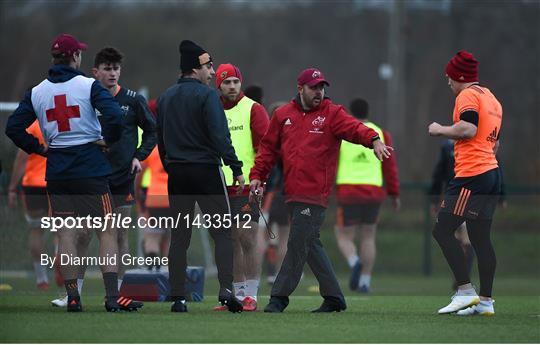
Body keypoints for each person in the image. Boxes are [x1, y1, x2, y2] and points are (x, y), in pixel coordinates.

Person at [5, 33, 142, 312]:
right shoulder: (89, 85)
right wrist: (109, 141)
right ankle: (112, 297)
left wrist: (40, 149)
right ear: (76, 57)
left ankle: (73, 297)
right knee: (107, 229)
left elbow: (13, 129)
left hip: (57, 169)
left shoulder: (36, 91)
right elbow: (114, 116)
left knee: (66, 234)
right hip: (90, 166)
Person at [249, 68, 393, 313]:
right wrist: (256, 177)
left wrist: (373, 140)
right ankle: (335, 298)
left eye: (322, 87)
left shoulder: (332, 113)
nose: (319, 92)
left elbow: (355, 129)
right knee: (309, 243)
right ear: (300, 88)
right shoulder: (283, 115)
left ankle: (278, 298)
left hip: (315, 193)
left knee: (297, 242)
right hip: (291, 192)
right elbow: (267, 151)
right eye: (314, 87)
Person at [51, 47, 157, 307]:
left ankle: (117, 292)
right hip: (91, 177)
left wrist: (138, 156)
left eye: (116, 69)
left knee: (119, 234)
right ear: (95, 71)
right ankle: (73, 294)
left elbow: (153, 131)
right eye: (107, 69)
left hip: (121, 179)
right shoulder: (86, 97)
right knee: (83, 234)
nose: (112, 73)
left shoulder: (132, 100)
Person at [156, 40, 244, 313]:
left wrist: (170, 166)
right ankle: (226, 291)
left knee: (179, 237)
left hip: (178, 174)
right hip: (206, 172)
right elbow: (220, 135)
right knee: (222, 234)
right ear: (196, 68)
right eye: (208, 66)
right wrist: (236, 167)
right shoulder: (207, 96)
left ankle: (178, 298)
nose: (212, 71)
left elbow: (161, 140)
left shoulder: (165, 97)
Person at [428, 50, 502, 316]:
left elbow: (468, 129)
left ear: (460, 77)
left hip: (472, 175)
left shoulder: (467, 95)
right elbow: (494, 144)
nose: (448, 82)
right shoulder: (491, 98)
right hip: (491, 175)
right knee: (481, 239)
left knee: (442, 230)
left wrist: (440, 130)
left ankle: (464, 291)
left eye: (450, 77)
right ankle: (485, 302)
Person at [212, 64, 269, 311]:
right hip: (219, 187)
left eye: (236, 81)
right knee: (230, 241)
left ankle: (252, 296)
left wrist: (260, 180)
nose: (232, 86)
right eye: (227, 82)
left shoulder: (254, 109)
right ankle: (237, 295)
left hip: (246, 186)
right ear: (219, 86)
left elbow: (265, 150)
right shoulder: (212, 109)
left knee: (247, 238)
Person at [334, 98, 400, 294]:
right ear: (368, 111)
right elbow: (390, 166)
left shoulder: (343, 131)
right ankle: (365, 281)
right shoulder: (381, 133)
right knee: (368, 237)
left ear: (350, 112)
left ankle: (355, 263)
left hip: (348, 191)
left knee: (344, 236)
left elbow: (331, 160)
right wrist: (394, 193)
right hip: (373, 191)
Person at [429, 139, 507, 291]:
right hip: (461, 192)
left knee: (461, 237)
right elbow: (439, 173)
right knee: (472, 239)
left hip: (465, 190)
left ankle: (464, 285)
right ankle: (477, 293)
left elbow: (497, 161)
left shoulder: (473, 142)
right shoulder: (448, 146)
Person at [8, 120, 50, 290]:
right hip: (57, 182)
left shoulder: (33, 127)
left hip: (33, 184)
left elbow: (21, 158)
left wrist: (11, 187)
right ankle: (61, 264)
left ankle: (42, 279)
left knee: (36, 230)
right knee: (61, 230)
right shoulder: (60, 122)